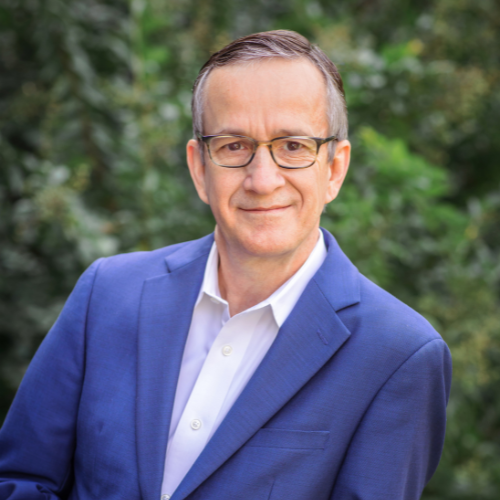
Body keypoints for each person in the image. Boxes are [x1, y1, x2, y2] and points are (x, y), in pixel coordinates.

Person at [0, 30, 451, 500]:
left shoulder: (398, 356)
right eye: (234, 146)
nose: (263, 180)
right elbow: (20, 480)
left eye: (293, 146)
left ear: (334, 168)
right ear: (199, 168)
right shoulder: (107, 294)